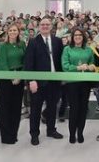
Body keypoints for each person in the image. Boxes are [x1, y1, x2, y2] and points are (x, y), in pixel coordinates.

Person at [24, 17, 65, 146]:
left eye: (47, 24)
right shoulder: (33, 42)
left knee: (52, 108)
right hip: (38, 83)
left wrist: (62, 78)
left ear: (51, 26)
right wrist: (31, 80)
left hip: (54, 81)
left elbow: (61, 61)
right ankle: (34, 134)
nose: (45, 26)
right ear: (39, 27)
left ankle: (51, 130)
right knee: (35, 110)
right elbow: (28, 63)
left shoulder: (57, 41)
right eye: (42, 24)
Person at [62, 28, 96, 144]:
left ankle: (80, 132)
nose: (77, 37)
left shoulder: (88, 49)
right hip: (72, 83)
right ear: (72, 37)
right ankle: (72, 133)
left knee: (83, 108)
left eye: (80, 35)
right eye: (75, 35)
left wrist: (91, 67)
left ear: (83, 37)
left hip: (85, 82)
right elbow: (65, 66)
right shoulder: (67, 49)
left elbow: (92, 63)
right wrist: (77, 68)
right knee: (74, 108)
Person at [0, 24, 26, 144]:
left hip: (19, 78)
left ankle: (14, 134)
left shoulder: (22, 44)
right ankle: (6, 136)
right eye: (11, 30)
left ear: (18, 32)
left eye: (15, 30)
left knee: (16, 107)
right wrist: (11, 77)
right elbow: (3, 63)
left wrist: (20, 76)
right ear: (7, 32)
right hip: (5, 79)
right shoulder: (3, 46)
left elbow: (25, 61)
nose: (13, 32)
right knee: (5, 108)